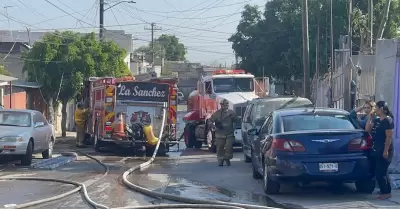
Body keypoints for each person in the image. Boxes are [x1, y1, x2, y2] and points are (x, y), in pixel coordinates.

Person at [365, 101, 394, 200]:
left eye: (376, 107)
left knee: (380, 172)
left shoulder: (388, 121)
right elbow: (367, 130)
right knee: (382, 171)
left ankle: (385, 192)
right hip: (376, 149)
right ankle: (386, 190)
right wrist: (370, 117)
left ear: (381, 109)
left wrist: (386, 151)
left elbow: (388, 137)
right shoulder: (377, 120)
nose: (375, 109)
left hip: (385, 149)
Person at [208, 99, 240, 166]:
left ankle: (227, 158)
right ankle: (220, 160)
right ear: (221, 105)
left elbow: (237, 121)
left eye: (227, 105)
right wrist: (212, 125)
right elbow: (210, 120)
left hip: (229, 133)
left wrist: (234, 118)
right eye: (225, 105)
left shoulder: (231, 113)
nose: (226, 106)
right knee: (219, 147)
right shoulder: (217, 114)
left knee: (229, 147)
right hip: (219, 134)